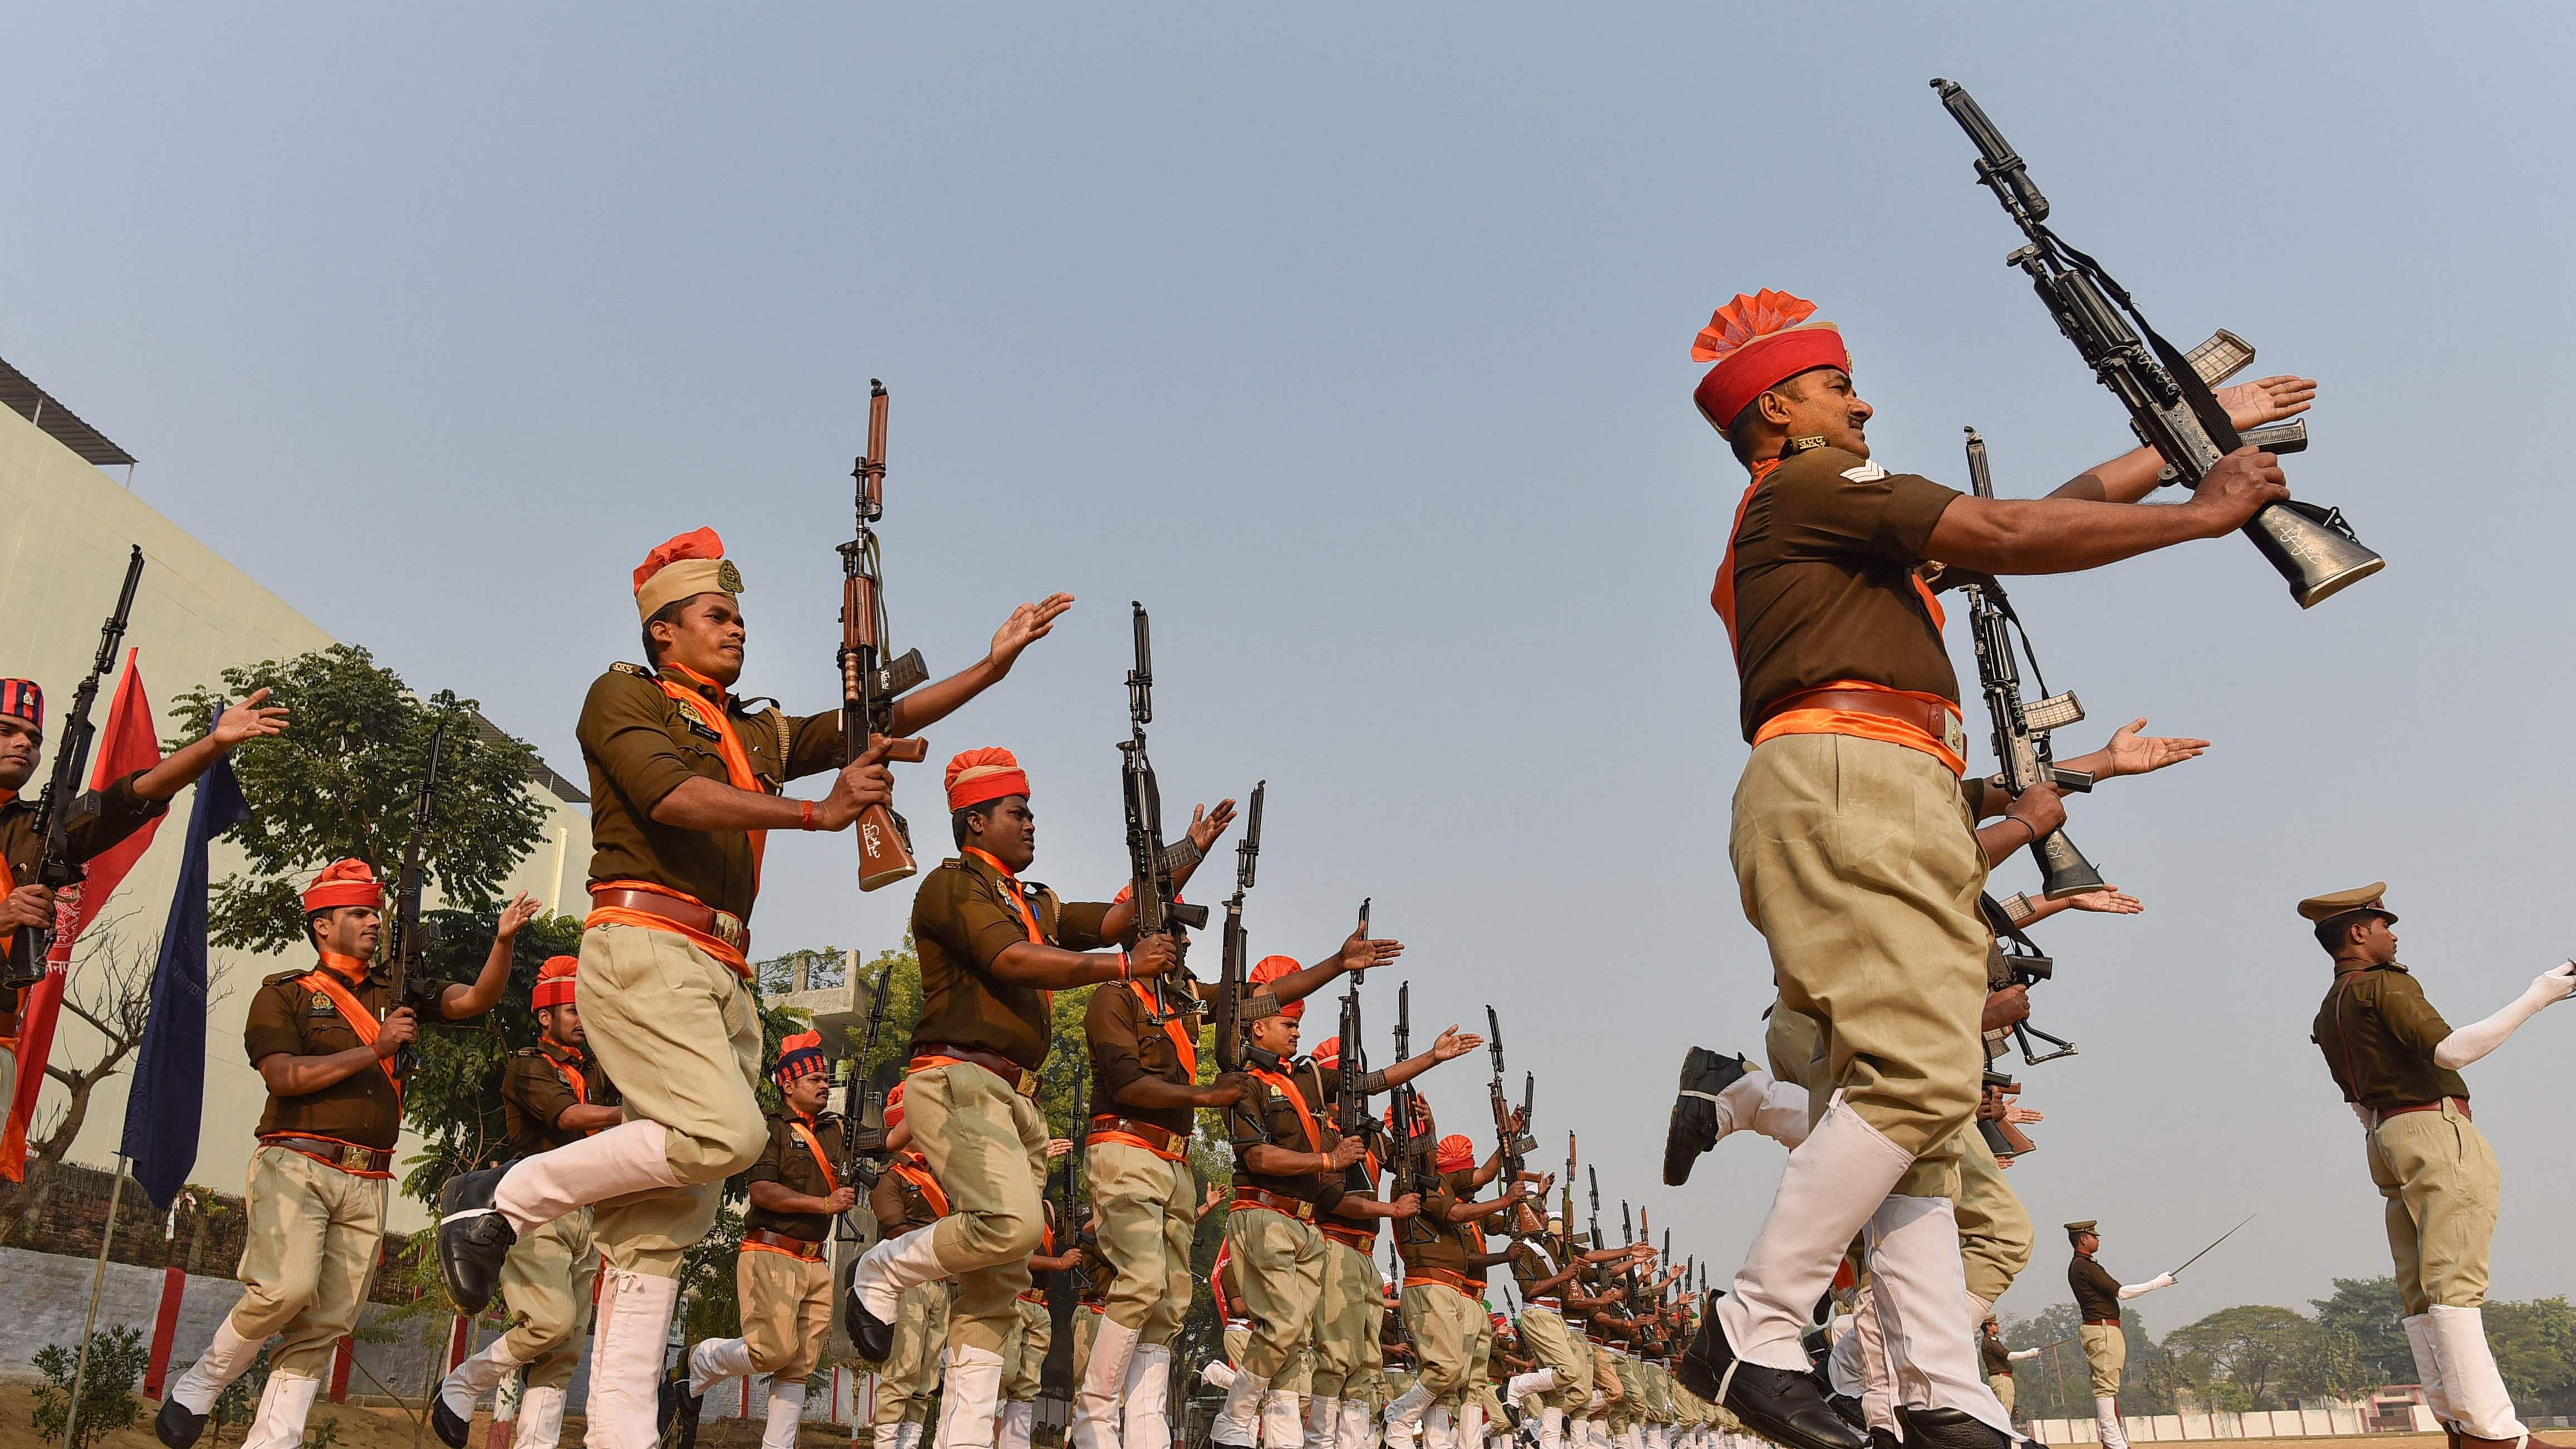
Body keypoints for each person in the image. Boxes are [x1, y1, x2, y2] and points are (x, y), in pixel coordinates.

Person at [1673, 287, 2308, 1449]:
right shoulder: (1810, 487)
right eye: (1835, 383)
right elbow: (2009, 534)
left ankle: (1939, 1391)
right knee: (1923, 1072)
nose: (1862, 401)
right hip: (1849, 778)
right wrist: (2206, 514)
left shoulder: (1835, 531)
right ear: (1778, 409)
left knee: (1909, 1109)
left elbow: (2026, 514)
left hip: (1881, 781)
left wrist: (2177, 447)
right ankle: (1751, 1324)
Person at [437, 530, 1067, 1449]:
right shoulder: (624, 697)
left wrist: (992, 666)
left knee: (669, 1217)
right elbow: (669, 796)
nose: (738, 629)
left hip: (722, 968)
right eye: (717, 615)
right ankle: (504, 1194)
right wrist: (816, 812)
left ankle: (621, 1434)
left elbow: (870, 722)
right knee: (726, 1135)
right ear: (663, 631)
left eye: (739, 616)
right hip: (646, 941)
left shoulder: (751, 728)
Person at [845, 747, 1231, 1449]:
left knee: (997, 1286)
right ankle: (884, 1266)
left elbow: (1119, 916)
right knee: (1011, 1226)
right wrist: (1119, 966)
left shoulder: (1033, 900)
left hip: (1016, 1098)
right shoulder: (951, 886)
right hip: (959, 1078)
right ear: (975, 821)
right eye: (1016, 813)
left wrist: (1189, 852)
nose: (1030, 824)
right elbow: (1012, 960)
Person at [159, 864, 533, 1449]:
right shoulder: (284, 994)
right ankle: (205, 1379)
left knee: (329, 1319)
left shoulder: (399, 988)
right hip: (298, 1162)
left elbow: (476, 998)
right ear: (321, 925)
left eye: (375, 912)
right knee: (283, 1290)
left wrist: (503, 940)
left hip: (370, 1174)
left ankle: (272, 1442)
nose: (372, 922)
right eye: (358, 913)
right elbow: (284, 1076)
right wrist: (375, 1047)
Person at [1079, 928, 1402, 1449]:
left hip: (1174, 1160)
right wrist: (1209, 1096)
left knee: (1169, 1304)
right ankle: (1092, 1420)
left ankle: (1145, 1434)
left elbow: (1263, 997)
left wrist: (1337, 964)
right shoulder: (1116, 997)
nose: (1182, 949)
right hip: (1131, 1148)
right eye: (1171, 938)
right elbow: (1128, 1084)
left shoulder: (1184, 1005)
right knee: (1143, 1283)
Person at [2301, 882, 2576, 1449]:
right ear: (2358, 932)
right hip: (2431, 1125)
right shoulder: (2384, 985)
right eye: (2383, 926)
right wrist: (2540, 994)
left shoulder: (2330, 1007)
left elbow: (2356, 1099)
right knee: (2457, 1283)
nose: (2393, 934)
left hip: (2383, 1135)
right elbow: (2450, 1051)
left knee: (2422, 1293)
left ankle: (2457, 1424)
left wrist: (2390, 1134)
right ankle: (2494, 1433)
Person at [2, 680, 287, 1110]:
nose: (24, 743)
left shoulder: (33, 830)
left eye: (35, 738)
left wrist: (212, 745)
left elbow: (132, 796)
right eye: (6, 731)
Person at [1213, 960, 1426, 1449]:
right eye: (1289, 1025)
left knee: (1294, 1348)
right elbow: (1259, 1154)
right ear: (1258, 1025)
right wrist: (1328, 1160)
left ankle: (1287, 1440)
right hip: (1262, 1211)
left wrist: (1432, 1058)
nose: (1296, 1033)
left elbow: (1372, 1082)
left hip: (1300, 1224)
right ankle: (1235, 1412)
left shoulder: (1303, 1078)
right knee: (1285, 1324)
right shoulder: (1244, 1081)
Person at [434, 956, 620, 1449]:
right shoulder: (527, 1065)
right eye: (572, 1010)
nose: (583, 1019)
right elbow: (568, 1116)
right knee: (549, 1322)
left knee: (566, 1348)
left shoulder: (594, 1068)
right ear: (545, 1017)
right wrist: (631, 1115)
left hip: (586, 1209)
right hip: (538, 1207)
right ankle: (463, 1383)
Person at [672, 1031, 855, 1449]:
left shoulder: (833, 1131)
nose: (825, 1084)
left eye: (826, 1078)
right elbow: (762, 1191)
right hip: (771, 1251)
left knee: (799, 1366)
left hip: (815, 1261)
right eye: (815, 1079)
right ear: (788, 1084)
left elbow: (885, 1144)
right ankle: (700, 1359)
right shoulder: (768, 1128)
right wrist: (824, 1205)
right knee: (771, 1351)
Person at [1384, 1120, 1533, 1449]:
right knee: (1446, 1370)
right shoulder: (1417, 1186)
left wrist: (1506, 1139)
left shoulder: (1441, 1183)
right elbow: (1454, 1214)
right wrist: (1506, 1201)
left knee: (1462, 1382)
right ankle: (1400, 1415)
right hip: (1431, 1285)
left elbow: (1483, 1176)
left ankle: (1447, 1443)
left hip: (1451, 1290)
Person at [868, 1083, 953, 1449]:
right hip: (909, 1280)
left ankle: (910, 1442)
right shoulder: (891, 1179)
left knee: (927, 1376)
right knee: (901, 1369)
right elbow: (895, 1230)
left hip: (939, 1283)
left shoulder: (940, 1178)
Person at [2063, 1221, 2171, 1449]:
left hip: (2102, 1329)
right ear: (2083, 1239)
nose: (2098, 1240)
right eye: (2094, 1236)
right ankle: (2113, 1443)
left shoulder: (2082, 1266)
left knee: (2108, 1386)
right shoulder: (2085, 1267)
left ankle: (2115, 1439)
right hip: (2102, 1330)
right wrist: (2157, 1284)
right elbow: (2121, 1292)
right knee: (2106, 1386)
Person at [1002, 1157, 1083, 1449]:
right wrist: (1058, 1264)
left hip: (1040, 1305)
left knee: (1027, 1387)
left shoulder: (1046, 1208)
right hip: (1016, 1299)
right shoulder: (1011, 1201)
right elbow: (1015, 1255)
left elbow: (1076, 1228)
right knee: (1003, 1376)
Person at [1976, 1319, 2037, 1421]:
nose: (1998, 1326)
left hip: (2002, 1378)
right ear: (1988, 1327)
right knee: (2004, 1413)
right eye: (1995, 1324)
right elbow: (2008, 1355)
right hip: (2001, 1379)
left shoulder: (1991, 1341)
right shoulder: (1990, 1341)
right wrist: (2029, 1354)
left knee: (2005, 1410)